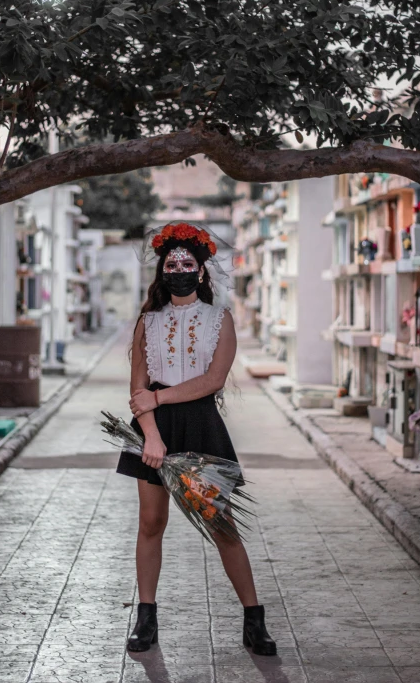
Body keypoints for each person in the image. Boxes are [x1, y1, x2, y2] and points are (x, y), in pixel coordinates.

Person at [116, 222, 277, 656]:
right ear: (162, 272)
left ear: (202, 271)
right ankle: (146, 618)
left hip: (202, 426)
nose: (179, 270)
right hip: (153, 427)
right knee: (151, 524)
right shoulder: (147, 322)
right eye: (172, 264)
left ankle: (254, 620)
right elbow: (137, 391)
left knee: (221, 524)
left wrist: (158, 397)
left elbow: (213, 380)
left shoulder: (219, 320)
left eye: (188, 263)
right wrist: (151, 435)